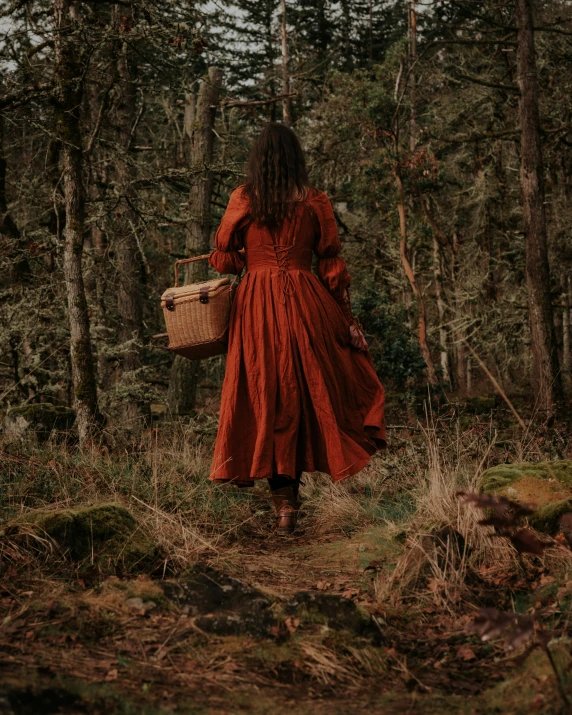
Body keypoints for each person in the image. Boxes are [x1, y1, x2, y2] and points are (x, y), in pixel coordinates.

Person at [208, 122, 386, 535]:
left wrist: (248, 260)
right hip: (308, 302)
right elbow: (332, 267)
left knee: (266, 392)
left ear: (258, 159)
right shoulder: (314, 200)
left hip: (255, 307)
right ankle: (291, 497)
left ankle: (283, 503)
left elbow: (223, 253)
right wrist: (348, 320)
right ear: (295, 158)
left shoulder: (244, 198)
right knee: (309, 392)